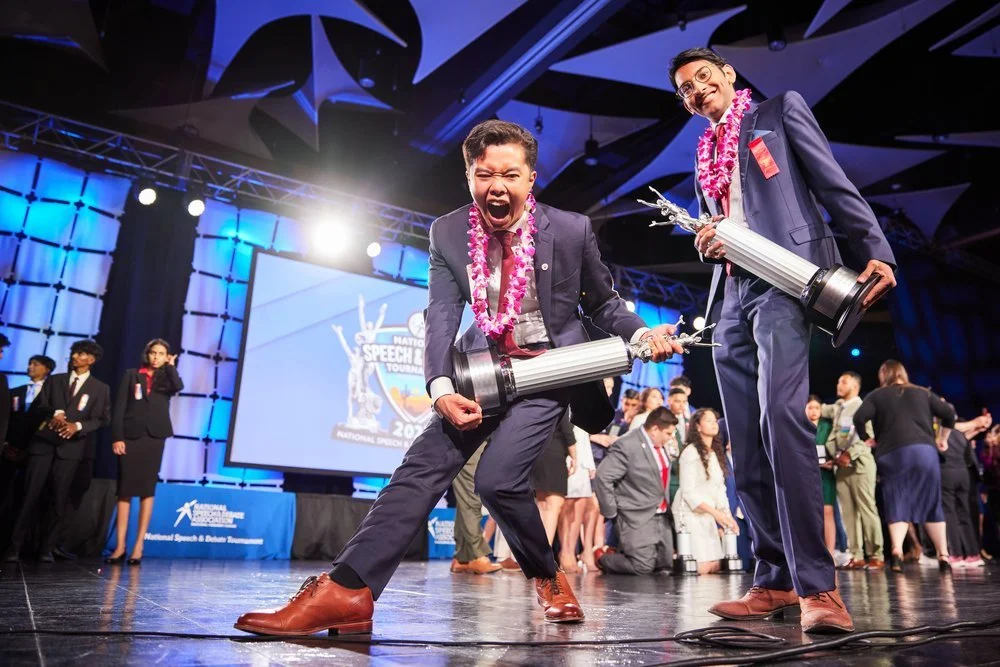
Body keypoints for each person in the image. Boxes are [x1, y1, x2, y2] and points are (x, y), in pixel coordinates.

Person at [234, 119, 683, 635]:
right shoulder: (447, 232)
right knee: (420, 468)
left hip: (551, 371)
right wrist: (440, 388)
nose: (497, 186)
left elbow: (603, 303)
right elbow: (441, 314)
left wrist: (644, 333)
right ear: (469, 176)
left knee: (496, 479)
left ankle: (546, 575)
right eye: (483, 174)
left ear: (530, 179)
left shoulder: (571, 228)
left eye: (510, 175)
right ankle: (349, 590)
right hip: (482, 367)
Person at [671, 46, 896, 634]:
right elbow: (716, 221)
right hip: (730, 295)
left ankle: (819, 587)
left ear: (727, 75)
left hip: (787, 279)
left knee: (781, 421)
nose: (697, 91)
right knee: (743, 440)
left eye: (703, 78)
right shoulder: (701, 152)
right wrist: (705, 239)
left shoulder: (776, 111)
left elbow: (832, 180)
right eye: (685, 91)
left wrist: (875, 250)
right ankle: (772, 581)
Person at [3, 340, 111, 563]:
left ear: (91, 360)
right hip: (42, 446)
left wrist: (77, 426)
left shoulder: (101, 389)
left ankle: (46, 549)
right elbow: (39, 405)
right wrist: (56, 412)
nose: (74, 357)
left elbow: (101, 419)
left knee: (58, 500)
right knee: (28, 496)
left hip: (71, 450)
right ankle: (14, 548)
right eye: (73, 352)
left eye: (80, 354)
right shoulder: (55, 380)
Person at [852, 360, 955, 573]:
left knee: (896, 500)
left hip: (892, 453)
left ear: (883, 375)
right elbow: (948, 413)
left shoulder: (876, 395)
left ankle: (897, 553)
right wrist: (942, 438)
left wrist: (867, 439)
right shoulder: (922, 393)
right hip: (924, 452)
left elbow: (859, 417)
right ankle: (943, 556)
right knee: (931, 502)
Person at [106, 339, 184, 566]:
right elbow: (120, 406)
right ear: (147, 354)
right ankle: (119, 546)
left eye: (162, 354)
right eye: (153, 353)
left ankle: (138, 545)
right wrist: (117, 437)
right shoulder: (132, 374)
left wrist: (171, 366)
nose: (157, 357)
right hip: (131, 436)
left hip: (154, 437)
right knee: (125, 490)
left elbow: (178, 387)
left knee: (147, 490)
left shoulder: (166, 377)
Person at [594, 407, 678, 575]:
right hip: (635, 514)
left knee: (665, 565)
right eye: (668, 433)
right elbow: (603, 476)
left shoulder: (660, 445)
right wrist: (611, 512)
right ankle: (603, 557)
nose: (671, 438)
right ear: (655, 429)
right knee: (642, 567)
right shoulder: (627, 444)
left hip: (661, 515)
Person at [822, 373, 884, 570]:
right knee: (848, 514)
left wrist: (850, 454)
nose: (838, 384)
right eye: (838, 380)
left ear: (855, 386)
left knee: (867, 509)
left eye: (843, 381)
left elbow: (869, 438)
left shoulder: (862, 406)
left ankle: (876, 554)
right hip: (842, 468)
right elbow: (820, 410)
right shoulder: (839, 407)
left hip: (860, 466)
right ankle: (856, 555)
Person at [674, 408, 737, 574]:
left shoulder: (714, 454)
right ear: (698, 426)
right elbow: (688, 492)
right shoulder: (690, 452)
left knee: (715, 564)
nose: (713, 423)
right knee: (700, 566)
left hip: (708, 514)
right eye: (708, 420)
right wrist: (717, 515)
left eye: (714, 420)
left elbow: (719, 489)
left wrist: (728, 517)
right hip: (690, 514)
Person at [449, 440, 502, 575]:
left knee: (466, 499)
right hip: (473, 438)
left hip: (476, 440)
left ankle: (462, 558)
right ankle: (477, 556)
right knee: (471, 497)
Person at [806, 395, 838, 560]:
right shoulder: (800, 426)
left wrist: (833, 461)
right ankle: (812, 552)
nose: (813, 411)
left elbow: (836, 446)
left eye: (817, 408)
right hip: (806, 475)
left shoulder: (828, 426)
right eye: (810, 407)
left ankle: (831, 553)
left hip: (826, 474)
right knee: (810, 513)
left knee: (828, 511)